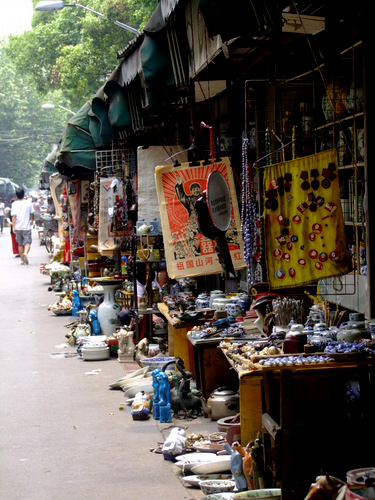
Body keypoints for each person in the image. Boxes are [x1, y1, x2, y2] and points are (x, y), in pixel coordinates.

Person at [11, 188, 34, 265]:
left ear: (16, 195)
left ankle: (22, 260)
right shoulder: (29, 203)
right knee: (27, 243)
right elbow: (32, 213)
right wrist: (31, 220)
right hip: (26, 227)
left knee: (20, 244)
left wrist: (13, 227)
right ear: (24, 194)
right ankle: (26, 253)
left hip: (18, 227)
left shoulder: (14, 204)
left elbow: (13, 217)